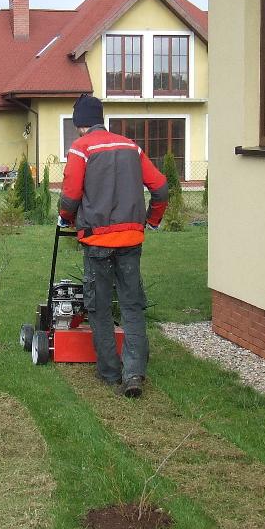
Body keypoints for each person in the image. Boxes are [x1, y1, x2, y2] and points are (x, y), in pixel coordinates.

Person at [58, 94, 169, 398]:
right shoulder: (132, 147)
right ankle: (133, 373)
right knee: (132, 306)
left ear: (80, 124)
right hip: (131, 240)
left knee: (99, 305)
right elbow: (160, 188)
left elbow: (69, 196)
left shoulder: (82, 148)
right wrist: (151, 221)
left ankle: (109, 372)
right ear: (101, 118)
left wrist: (65, 218)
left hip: (97, 242)